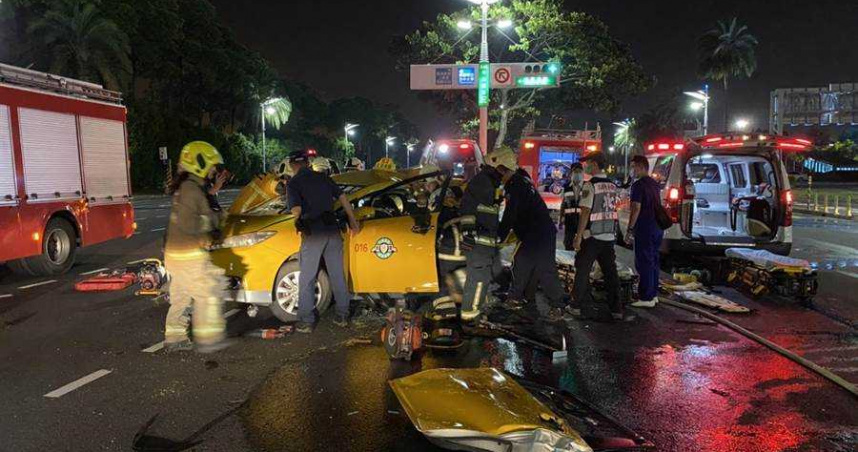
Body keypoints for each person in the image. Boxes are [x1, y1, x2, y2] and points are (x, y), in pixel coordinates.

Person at [163, 141, 231, 353]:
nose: (213, 171)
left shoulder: (187, 187)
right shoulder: (192, 189)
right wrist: (216, 222)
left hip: (174, 255)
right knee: (208, 292)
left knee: (181, 296)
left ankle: (175, 338)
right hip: (189, 254)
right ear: (200, 163)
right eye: (211, 166)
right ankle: (210, 338)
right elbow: (193, 222)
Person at [286, 150, 361, 333]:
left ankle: (306, 320)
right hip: (332, 230)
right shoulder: (323, 177)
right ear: (307, 163)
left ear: (292, 165)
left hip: (313, 233)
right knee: (337, 274)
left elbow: (295, 210)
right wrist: (353, 221)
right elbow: (343, 197)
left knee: (307, 277)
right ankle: (342, 315)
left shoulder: (294, 182)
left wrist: (295, 222)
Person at [494, 149, 568, 317]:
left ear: (504, 170)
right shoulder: (522, 180)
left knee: (545, 268)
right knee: (521, 263)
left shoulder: (516, 185)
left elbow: (510, 214)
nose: (498, 176)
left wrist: (500, 234)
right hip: (535, 233)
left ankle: (558, 304)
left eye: (499, 172)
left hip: (538, 234)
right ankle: (517, 297)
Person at [568, 152, 633, 322]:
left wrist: (578, 236)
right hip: (608, 237)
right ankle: (616, 309)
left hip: (592, 237)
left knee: (582, 270)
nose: (585, 167)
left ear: (595, 164)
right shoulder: (612, 185)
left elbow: (586, 212)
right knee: (610, 273)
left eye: (587, 163)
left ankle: (575, 306)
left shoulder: (591, 185)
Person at [457, 150, 506, 321]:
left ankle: (477, 306)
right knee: (478, 277)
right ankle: (470, 315)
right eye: (504, 170)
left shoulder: (489, 183)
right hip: (478, 241)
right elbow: (467, 208)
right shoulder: (482, 182)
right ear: (496, 167)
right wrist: (469, 233)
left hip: (485, 242)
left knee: (485, 276)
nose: (505, 175)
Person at [625, 156, 663, 308]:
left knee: (643, 262)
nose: (632, 170)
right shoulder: (654, 184)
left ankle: (646, 297)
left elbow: (636, 208)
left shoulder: (638, 185)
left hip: (644, 228)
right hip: (656, 228)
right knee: (653, 260)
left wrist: (630, 229)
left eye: (633, 167)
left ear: (641, 167)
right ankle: (653, 295)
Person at [560, 163, 585, 251]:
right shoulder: (566, 187)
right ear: (571, 173)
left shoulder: (587, 186)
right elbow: (563, 204)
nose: (577, 174)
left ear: (582, 173)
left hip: (582, 221)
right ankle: (569, 264)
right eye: (575, 171)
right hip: (569, 220)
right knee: (568, 244)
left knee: (582, 246)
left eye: (579, 171)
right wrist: (560, 219)